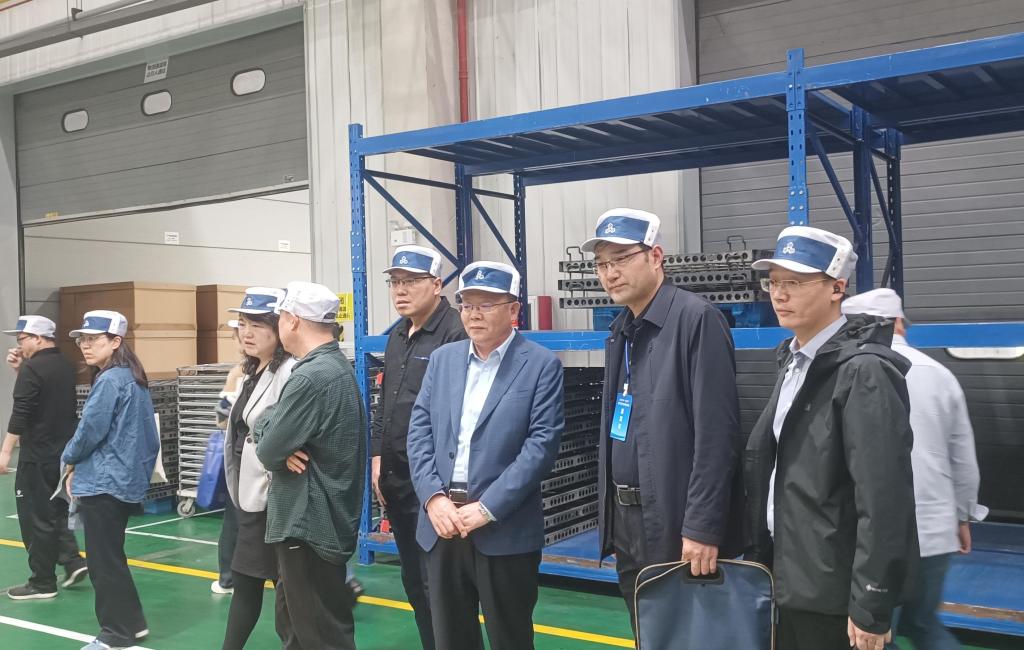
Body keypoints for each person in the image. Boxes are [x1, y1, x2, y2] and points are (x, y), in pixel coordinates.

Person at [744, 227, 918, 650]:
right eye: (773, 282)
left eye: (794, 282)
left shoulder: (863, 372)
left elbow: (883, 497)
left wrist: (871, 602)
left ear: (837, 288)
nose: (779, 294)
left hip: (833, 594)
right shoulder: (794, 363)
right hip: (788, 577)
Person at [579, 208, 744, 628]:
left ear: (655, 257)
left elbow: (717, 435)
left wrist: (703, 527)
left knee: (687, 635)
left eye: (621, 259)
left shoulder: (696, 320)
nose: (610, 273)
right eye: (601, 263)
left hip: (675, 523)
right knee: (647, 632)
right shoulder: (622, 330)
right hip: (628, 523)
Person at [407, 261, 564, 650]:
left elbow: (541, 446)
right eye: (467, 305)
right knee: (450, 638)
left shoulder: (540, 365)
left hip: (503, 528)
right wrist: (433, 498)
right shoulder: (443, 360)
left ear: (514, 310)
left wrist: (488, 507)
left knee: (510, 637)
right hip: (443, 525)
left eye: (486, 305)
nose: (474, 314)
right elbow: (419, 431)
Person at [842, 288, 986, 650]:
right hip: (935, 530)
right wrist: (963, 516)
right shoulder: (941, 375)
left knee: (873, 634)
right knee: (924, 625)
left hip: (876, 539)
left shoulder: (849, 372)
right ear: (899, 322)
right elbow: (963, 458)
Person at [255, 281, 365, 650]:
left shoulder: (310, 377)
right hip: (317, 523)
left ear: (292, 320)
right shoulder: (332, 366)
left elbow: (268, 448)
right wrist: (275, 435)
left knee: (320, 636)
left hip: (307, 524)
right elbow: (268, 425)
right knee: (296, 630)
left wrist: (275, 439)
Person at [371, 245, 466, 649]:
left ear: (437, 284)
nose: (401, 290)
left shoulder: (455, 334)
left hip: (434, 488)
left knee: (440, 588)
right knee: (414, 583)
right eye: (395, 282)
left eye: (411, 281)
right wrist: (377, 458)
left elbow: (460, 417)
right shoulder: (397, 335)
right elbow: (386, 403)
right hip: (396, 481)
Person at [62, 310, 159, 650]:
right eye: (82, 339)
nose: (85, 345)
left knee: (103, 563)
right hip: (122, 481)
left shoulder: (109, 381)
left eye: (93, 339)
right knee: (112, 557)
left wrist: (69, 460)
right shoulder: (132, 376)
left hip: (103, 483)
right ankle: (133, 623)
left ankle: (116, 633)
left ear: (116, 341)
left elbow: (89, 431)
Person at [220, 289, 297, 650]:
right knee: (247, 580)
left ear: (279, 327)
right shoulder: (253, 371)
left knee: (288, 591)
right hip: (251, 496)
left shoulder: (289, 371)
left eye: (257, 324)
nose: (247, 333)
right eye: (243, 324)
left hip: (274, 498)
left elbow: (287, 428)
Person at [1, 315, 88, 600]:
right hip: (61, 454)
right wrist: (21, 368)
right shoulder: (64, 364)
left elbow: (22, 411)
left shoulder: (33, 368)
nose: (19, 345)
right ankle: (72, 561)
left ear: (38, 339)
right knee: (55, 511)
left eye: (22, 339)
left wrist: (5, 451)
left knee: (34, 518)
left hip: (36, 455)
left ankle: (42, 582)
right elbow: (43, 398)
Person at [212, 319, 244, 596]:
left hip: (244, 460)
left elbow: (221, 419)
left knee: (235, 520)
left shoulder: (240, 372)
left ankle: (228, 577)